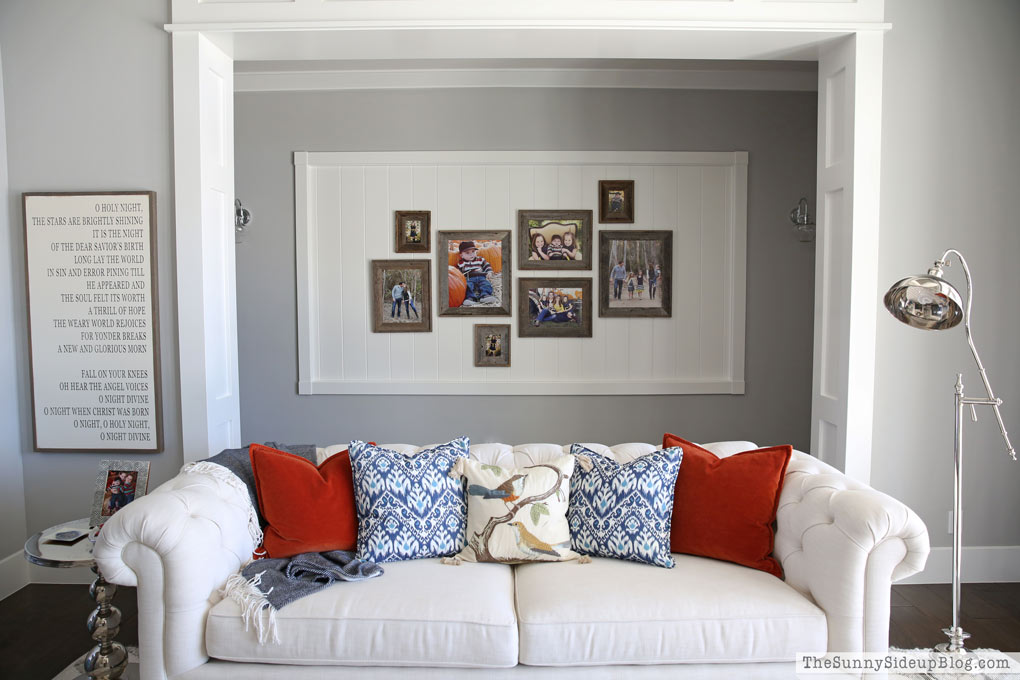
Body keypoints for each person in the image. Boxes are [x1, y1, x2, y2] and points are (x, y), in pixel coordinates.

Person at [455, 241, 497, 306]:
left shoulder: (480, 259)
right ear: (461, 255)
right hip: (470, 278)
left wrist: (489, 272)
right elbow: (457, 272)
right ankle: (470, 298)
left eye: (473, 252)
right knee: (468, 286)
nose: (471, 254)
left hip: (481, 276)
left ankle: (485, 296)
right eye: (467, 253)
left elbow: (487, 265)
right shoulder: (461, 263)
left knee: (486, 284)